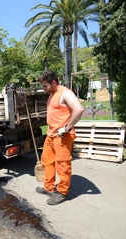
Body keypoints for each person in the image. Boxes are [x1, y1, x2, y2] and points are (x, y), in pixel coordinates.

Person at [36, 69, 84, 205]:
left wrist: (67, 128)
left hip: (62, 135)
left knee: (62, 164)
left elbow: (79, 109)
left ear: (54, 82)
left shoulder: (65, 93)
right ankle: (49, 187)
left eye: (45, 86)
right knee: (46, 161)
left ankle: (62, 192)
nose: (44, 89)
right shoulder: (52, 93)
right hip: (51, 134)